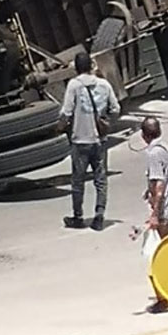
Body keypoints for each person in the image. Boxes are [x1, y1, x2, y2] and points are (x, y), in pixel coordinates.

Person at [58, 51, 120, 231]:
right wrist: (107, 123)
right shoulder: (104, 84)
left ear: (76, 68)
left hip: (80, 140)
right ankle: (99, 215)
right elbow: (115, 108)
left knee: (78, 181)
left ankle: (78, 217)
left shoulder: (74, 85)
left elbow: (67, 112)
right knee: (100, 179)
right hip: (100, 140)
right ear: (91, 66)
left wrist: (59, 128)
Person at [140, 117, 168, 313]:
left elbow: (159, 185)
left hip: (165, 211)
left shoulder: (154, 154)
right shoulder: (166, 148)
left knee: (157, 257)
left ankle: (164, 298)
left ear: (143, 135)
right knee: (167, 254)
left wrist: (155, 214)